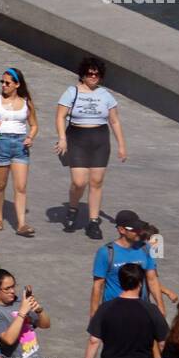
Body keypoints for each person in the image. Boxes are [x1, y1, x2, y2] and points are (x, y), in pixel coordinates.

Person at [55, 56, 127, 239]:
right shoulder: (72, 92)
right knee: (79, 182)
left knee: (96, 182)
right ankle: (73, 208)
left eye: (97, 74)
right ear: (83, 75)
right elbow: (60, 116)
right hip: (77, 138)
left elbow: (115, 121)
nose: (93, 77)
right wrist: (62, 138)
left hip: (100, 139)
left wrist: (122, 145)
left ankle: (93, 222)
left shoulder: (106, 95)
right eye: (90, 74)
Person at [0, 67, 38, 236]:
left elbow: (34, 125)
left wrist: (30, 137)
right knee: (0, 185)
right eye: (2, 82)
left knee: (20, 186)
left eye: (7, 83)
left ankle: (21, 224)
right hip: (0, 143)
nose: (4, 85)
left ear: (17, 84)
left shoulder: (26, 102)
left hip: (20, 145)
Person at [89, 209, 165, 317]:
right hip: (113, 312)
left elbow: (152, 280)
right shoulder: (106, 252)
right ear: (121, 230)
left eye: (140, 228)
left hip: (140, 310)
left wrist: (161, 307)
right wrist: (94, 315)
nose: (139, 232)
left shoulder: (145, 248)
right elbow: (98, 285)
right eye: (135, 229)